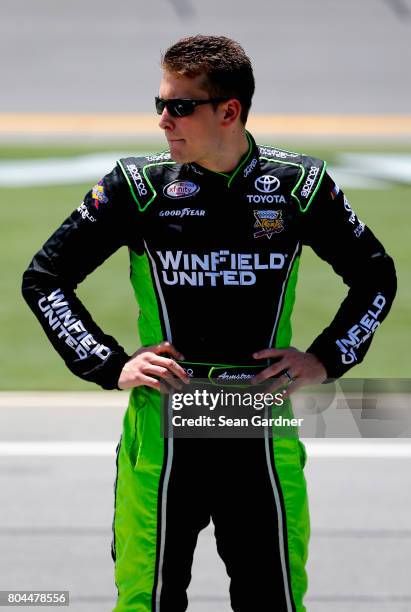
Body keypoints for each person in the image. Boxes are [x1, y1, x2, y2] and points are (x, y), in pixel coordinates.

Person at [22, 35, 396, 612]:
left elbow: (376, 276)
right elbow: (44, 278)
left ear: (229, 111)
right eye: (159, 104)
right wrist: (109, 362)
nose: (163, 120)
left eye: (179, 106)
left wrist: (325, 357)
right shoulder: (138, 187)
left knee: (273, 600)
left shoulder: (298, 186)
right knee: (145, 601)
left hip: (258, 428)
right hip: (165, 430)